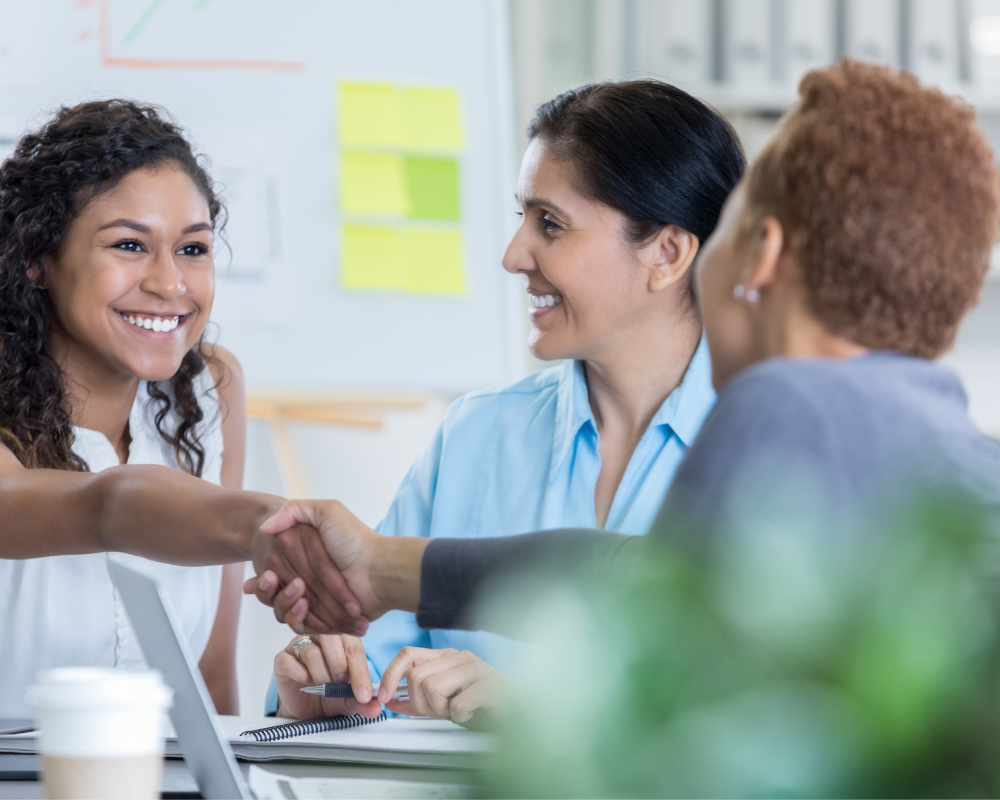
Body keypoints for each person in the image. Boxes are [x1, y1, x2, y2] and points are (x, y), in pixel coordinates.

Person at [251, 60, 1000, 727]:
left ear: (742, 252)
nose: (517, 255)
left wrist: (391, 569)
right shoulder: (960, 455)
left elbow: (648, 609)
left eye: (732, 228)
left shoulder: (789, 412)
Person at [262, 80, 745, 719]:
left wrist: (535, 715)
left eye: (551, 224)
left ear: (667, 252)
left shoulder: (770, 449)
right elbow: (372, 665)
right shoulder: (477, 435)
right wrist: (324, 688)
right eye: (521, 218)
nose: (514, 255)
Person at [0, 99, 362, 718]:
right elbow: (108, 506)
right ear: (38, 260)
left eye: (192, 250)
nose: (171, 284)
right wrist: (272, 521)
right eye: (130, 245)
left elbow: (210, 675)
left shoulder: (210, 389)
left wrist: (286, 722)